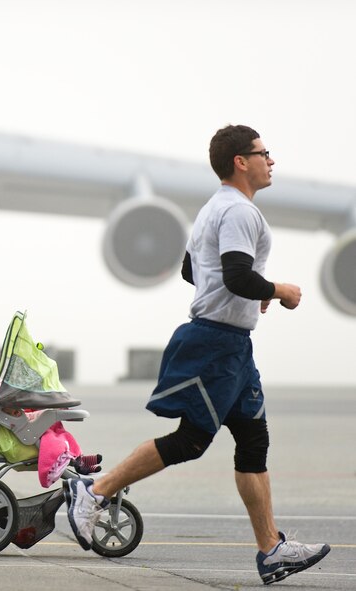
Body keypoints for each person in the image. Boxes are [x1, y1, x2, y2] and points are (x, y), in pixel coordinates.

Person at [64, 125, 330, 586]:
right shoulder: (239, 212)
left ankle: (271, 550)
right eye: (264, 153)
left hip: (232, 345)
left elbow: (195, 269)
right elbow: (233, 275)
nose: (271, 161)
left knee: (253, 443)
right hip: (216, 344)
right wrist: (277, 290)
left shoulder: (215, 208)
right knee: (190, 441)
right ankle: (94, 492)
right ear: (240, 162)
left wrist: (252, 295)